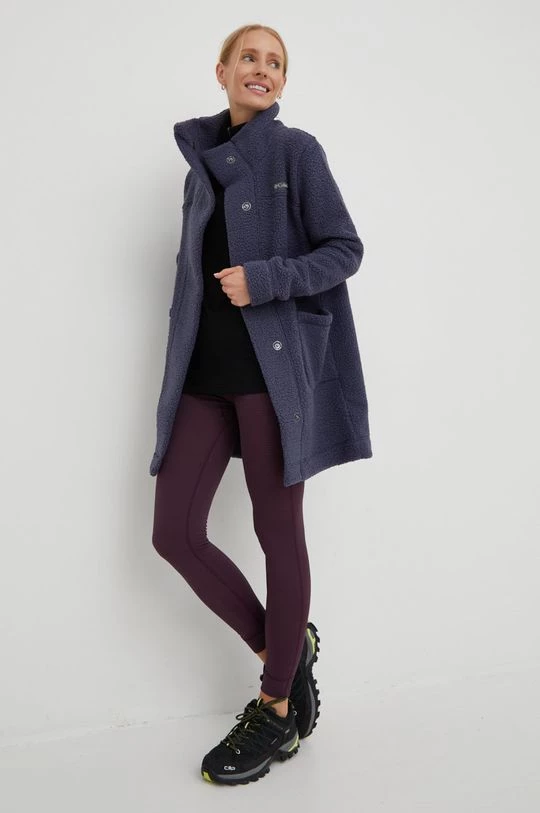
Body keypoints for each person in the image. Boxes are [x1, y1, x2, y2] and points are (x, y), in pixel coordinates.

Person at [151, 23, 372, 785]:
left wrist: (268, 277)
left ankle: (276, 705)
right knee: (174, 533)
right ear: (222, 71)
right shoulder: (199, 167)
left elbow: (344, 248)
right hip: (203, 377)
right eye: (250, 56)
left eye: (275, 62)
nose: (263, 68)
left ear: (282, 82)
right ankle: (285, 645)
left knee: (279, 534)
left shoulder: (296, 152)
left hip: (273, 376)